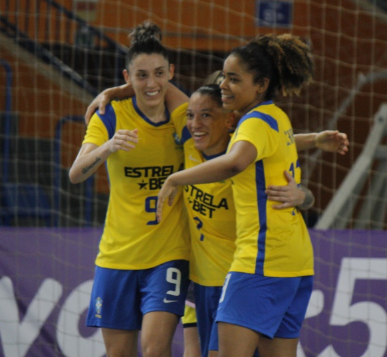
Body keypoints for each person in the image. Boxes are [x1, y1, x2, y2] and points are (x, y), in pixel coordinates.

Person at [156, 34, 318, 357]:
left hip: (260, 261)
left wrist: (175, 179)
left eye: (234, 79)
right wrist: (315, 144)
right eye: (224, 77)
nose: (224, 86)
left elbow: (233, 163)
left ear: (261, 85)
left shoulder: (253, 122)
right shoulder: (278, 118)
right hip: (296, 263)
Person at [69, 20, 190, 357]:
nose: (151, 83)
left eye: (159, 73)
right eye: (141, 76)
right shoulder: (110, 116)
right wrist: (107, 147)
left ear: (170, 73)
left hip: (169, 254)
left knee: (154, 350)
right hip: (117, 256)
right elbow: (76, 174)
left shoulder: (183, 117)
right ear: (127, 77)